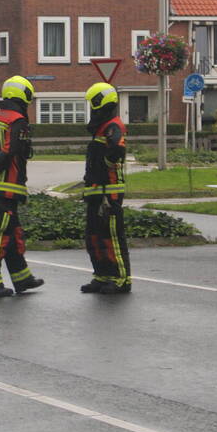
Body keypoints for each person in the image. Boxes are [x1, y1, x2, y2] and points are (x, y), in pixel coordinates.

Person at [0, 75, 45, 297]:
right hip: (7, 189)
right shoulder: (17, 121)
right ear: (23, 96)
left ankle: (22, 279)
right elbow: (9, 150)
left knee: (12, 233)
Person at [80, 82, 131, 294]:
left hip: (109, 192)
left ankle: (121, 279)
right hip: (95, 191)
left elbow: (115, 153)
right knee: (93, 236)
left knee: (112, 237)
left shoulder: (114, 126)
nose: (92, 109)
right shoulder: (101, 128)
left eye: (94, 105)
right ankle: (101, 275)